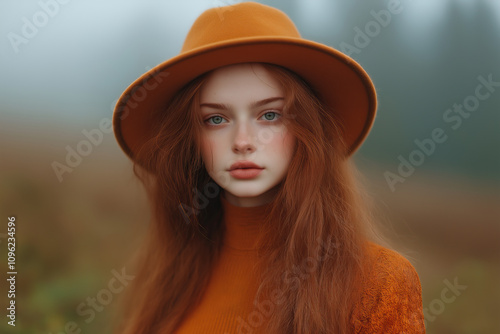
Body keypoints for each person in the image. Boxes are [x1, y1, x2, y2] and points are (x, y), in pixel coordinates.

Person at [112, 2, 425, 333]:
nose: (243, 141)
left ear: (306, 129)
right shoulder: (170, 280)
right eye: (215, 119)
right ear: (191, 136)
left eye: (270, 115)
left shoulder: (379, 283)